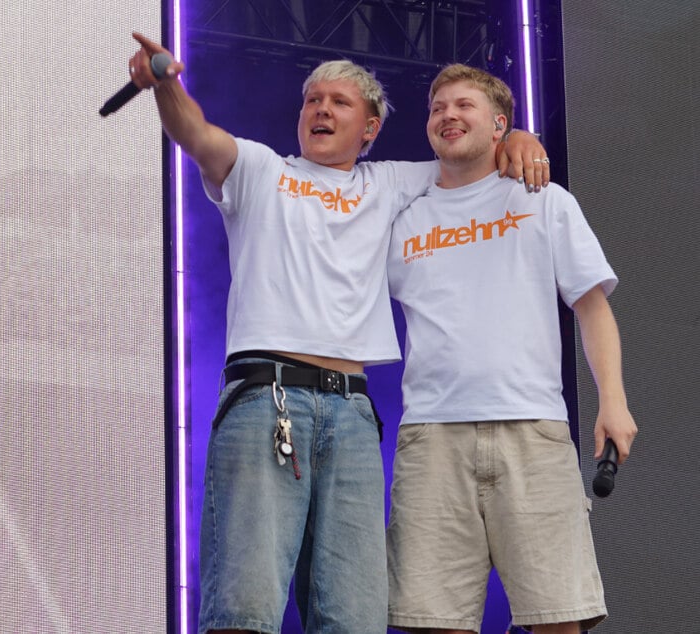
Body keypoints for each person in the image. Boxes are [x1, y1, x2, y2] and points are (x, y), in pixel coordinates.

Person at [126, 34, 548, 634]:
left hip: (351, 413)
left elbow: (472, 153)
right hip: (265, 400)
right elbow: (195, 133)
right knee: (244, 603)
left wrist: (518, 137)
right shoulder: (261, 169)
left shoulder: (392, 183)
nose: (321, 110)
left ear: (370, 128)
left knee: (355, 614)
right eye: (313, 100)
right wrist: (166, 84)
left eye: (339, 103)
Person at [385, 63, 638, 634]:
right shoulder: (401, 216)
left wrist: (613, 401)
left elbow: (592, 305)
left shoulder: (545, 201)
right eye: (437, 107)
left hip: (533, 429)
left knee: (558, 619)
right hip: (431, 437)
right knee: (431, 622)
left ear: (500, 124)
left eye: (463, 105)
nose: (447, 114)